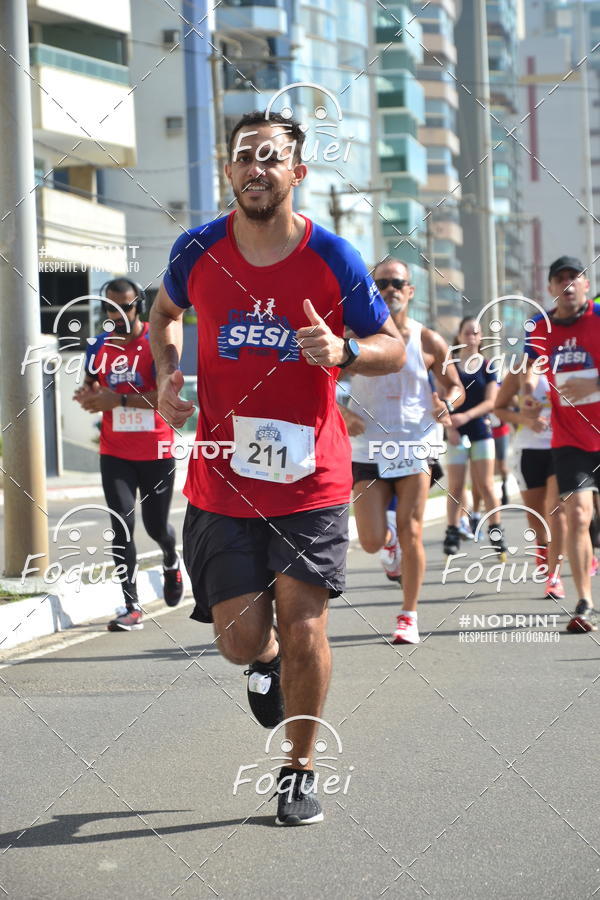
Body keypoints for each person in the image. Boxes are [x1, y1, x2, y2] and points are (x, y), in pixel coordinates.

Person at [149, 111, 405, 825]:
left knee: (305, 625)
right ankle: (262, 669)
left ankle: (300, 769)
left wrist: (346, 353)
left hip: (311, 479)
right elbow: (163, 313)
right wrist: (168, 374)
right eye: (243, 157)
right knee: (239, 641)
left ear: (297, 173)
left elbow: (391, 344)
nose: (256, 168)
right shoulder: (196, 249)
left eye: (271, 157)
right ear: (230, 171)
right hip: (223, 481)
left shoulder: (333, 257)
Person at [339, 259, 463, 644]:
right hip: (368, 445)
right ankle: (387, 543)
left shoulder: (428, 340)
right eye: (382, 284)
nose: (391, 289)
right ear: (372, 291)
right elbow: (323, 382)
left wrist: (448, 404)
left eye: (398, 283)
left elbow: (455, 385)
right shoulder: (354, 338)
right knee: (372, 540)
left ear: (410, 291)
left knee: (412, 528)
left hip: (415, 443)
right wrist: (343, 412)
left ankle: (408, 615)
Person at [73, 278, 184, 631]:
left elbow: (166, 395)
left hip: (156, 451)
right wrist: (88, 396)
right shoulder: (98, 346)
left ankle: (170, 557)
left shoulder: (158, 341)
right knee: (121, 524)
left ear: (140, 304)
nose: (118, 315)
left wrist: (118, 400)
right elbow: (93, 384)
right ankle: (131, 606)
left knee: (155, 527)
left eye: (126, 306)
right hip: (115, 452)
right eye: (110, 308)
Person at [523, 256, 600, 632]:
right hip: (570, 439)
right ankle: (585, 601)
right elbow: (528, 371)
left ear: (586, 284)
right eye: (560, 279)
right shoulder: (540, 327)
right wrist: (525, 391)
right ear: (551, 288)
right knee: (577, 516)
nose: (568, 284)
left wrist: (594, 384)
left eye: (575, 278)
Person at [494, 370, 566, 599]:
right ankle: (543, 547)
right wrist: (527, 420)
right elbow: (499, 408)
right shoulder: (519, 371)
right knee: (537, 517)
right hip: (528, 450)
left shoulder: (564, 361)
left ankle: (554, 578)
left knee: (557, 511)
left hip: (562, 446)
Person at [443, 316, 507, 558]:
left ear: (481, 338)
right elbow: (440, 398)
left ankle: (495, 530)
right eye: (467, 333)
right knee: (456, 486)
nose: (471, 337)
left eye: (476, 333)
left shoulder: (488, 366)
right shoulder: (449, 365)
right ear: (459, 336)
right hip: (455, 433)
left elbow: (491, 402)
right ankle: (452, 531)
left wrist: (466, 416)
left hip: (480, 430)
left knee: (486, 484)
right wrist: (450, 427)